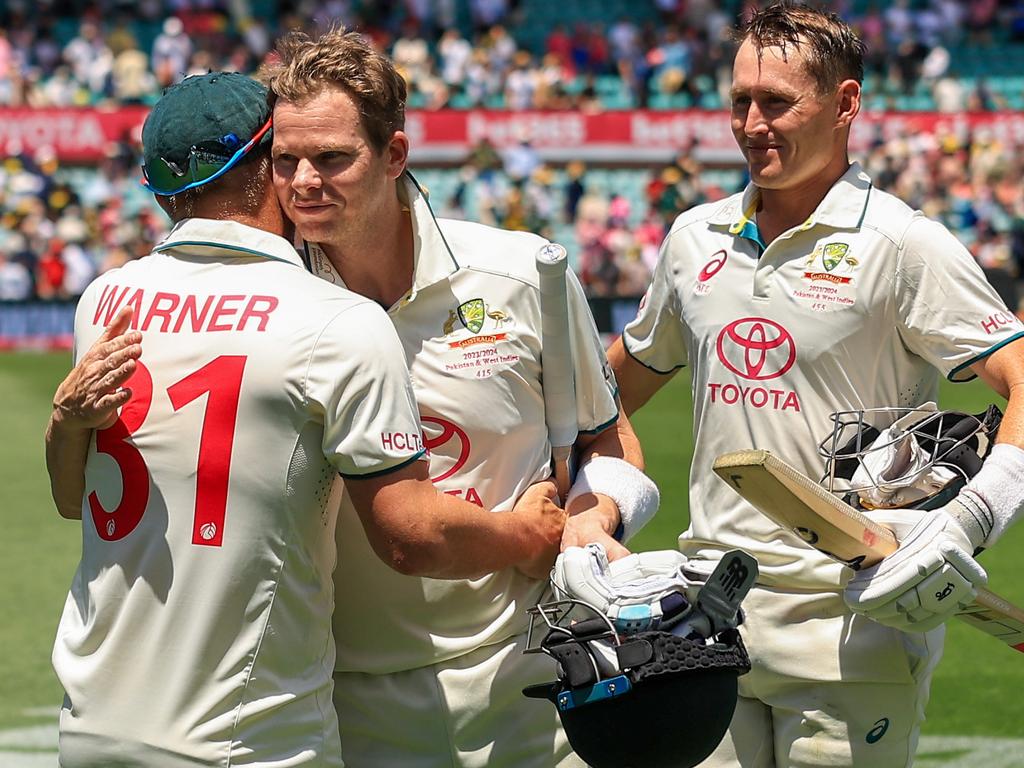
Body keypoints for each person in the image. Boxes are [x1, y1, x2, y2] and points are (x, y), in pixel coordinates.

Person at [45, 72, 567, 768]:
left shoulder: (106, 300)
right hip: (250, 732)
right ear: (266, 166)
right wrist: (525, 535)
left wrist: (61, 420)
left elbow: (68, 498)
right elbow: (409, 536)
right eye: (287, 157)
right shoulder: (335, 319)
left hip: (92, 716)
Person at [606, 4, 1024, 767]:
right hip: (706, 613)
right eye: (740, 102)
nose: (754, 124)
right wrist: (594, 509)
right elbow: (607, 395)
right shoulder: (693, 236)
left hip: (854, 621)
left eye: (778, 103)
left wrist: (971, 518)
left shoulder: (903, 242)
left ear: (845, 104)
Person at [260, 27, 654, 767]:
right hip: (346, 691)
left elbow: (609, 439)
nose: (305, 180)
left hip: (535, 671)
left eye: (333, 158)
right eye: (286, 160)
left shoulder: (523, 274)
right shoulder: (274, 301)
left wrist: (594, 517)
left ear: (395, 155)